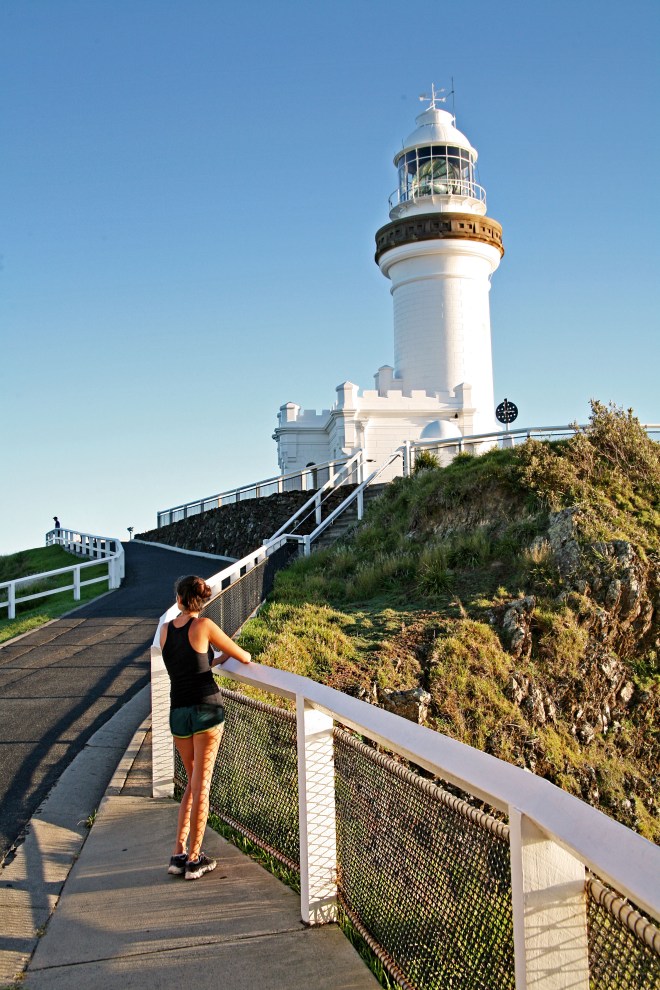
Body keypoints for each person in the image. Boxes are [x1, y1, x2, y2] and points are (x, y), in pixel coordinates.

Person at [159, 574, 251, 880]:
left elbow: (186, 664)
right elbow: (245, 657)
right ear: (202, 600)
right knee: (202, 785)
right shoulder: (205, 626)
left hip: (178, 713)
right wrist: (225, 656)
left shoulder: (163, 631)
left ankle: (177, 853)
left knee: (191, 781)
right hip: (206, 711)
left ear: (180, 599)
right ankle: (195, 859)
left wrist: (211, 660)